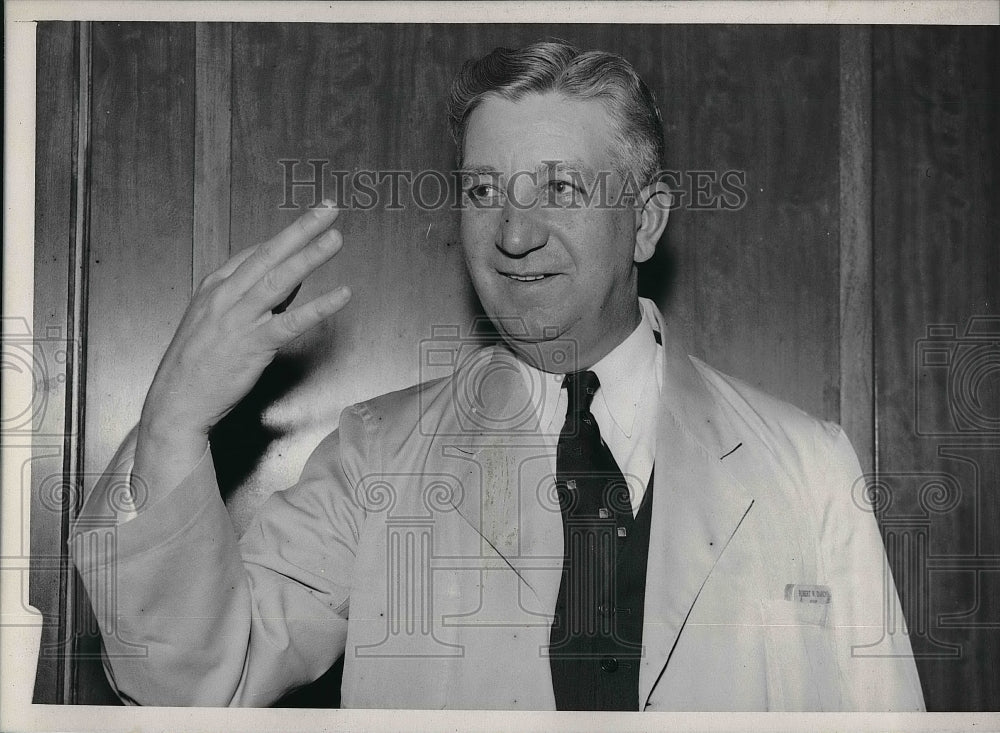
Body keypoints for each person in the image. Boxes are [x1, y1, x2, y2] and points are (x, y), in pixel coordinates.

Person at [70, 40, 925, 711]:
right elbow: (196, 685)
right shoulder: (378, 456)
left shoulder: (809, 465)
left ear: (646, 221)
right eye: (485, 191)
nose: (514, 234)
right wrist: (172, 421)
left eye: (560, 186)